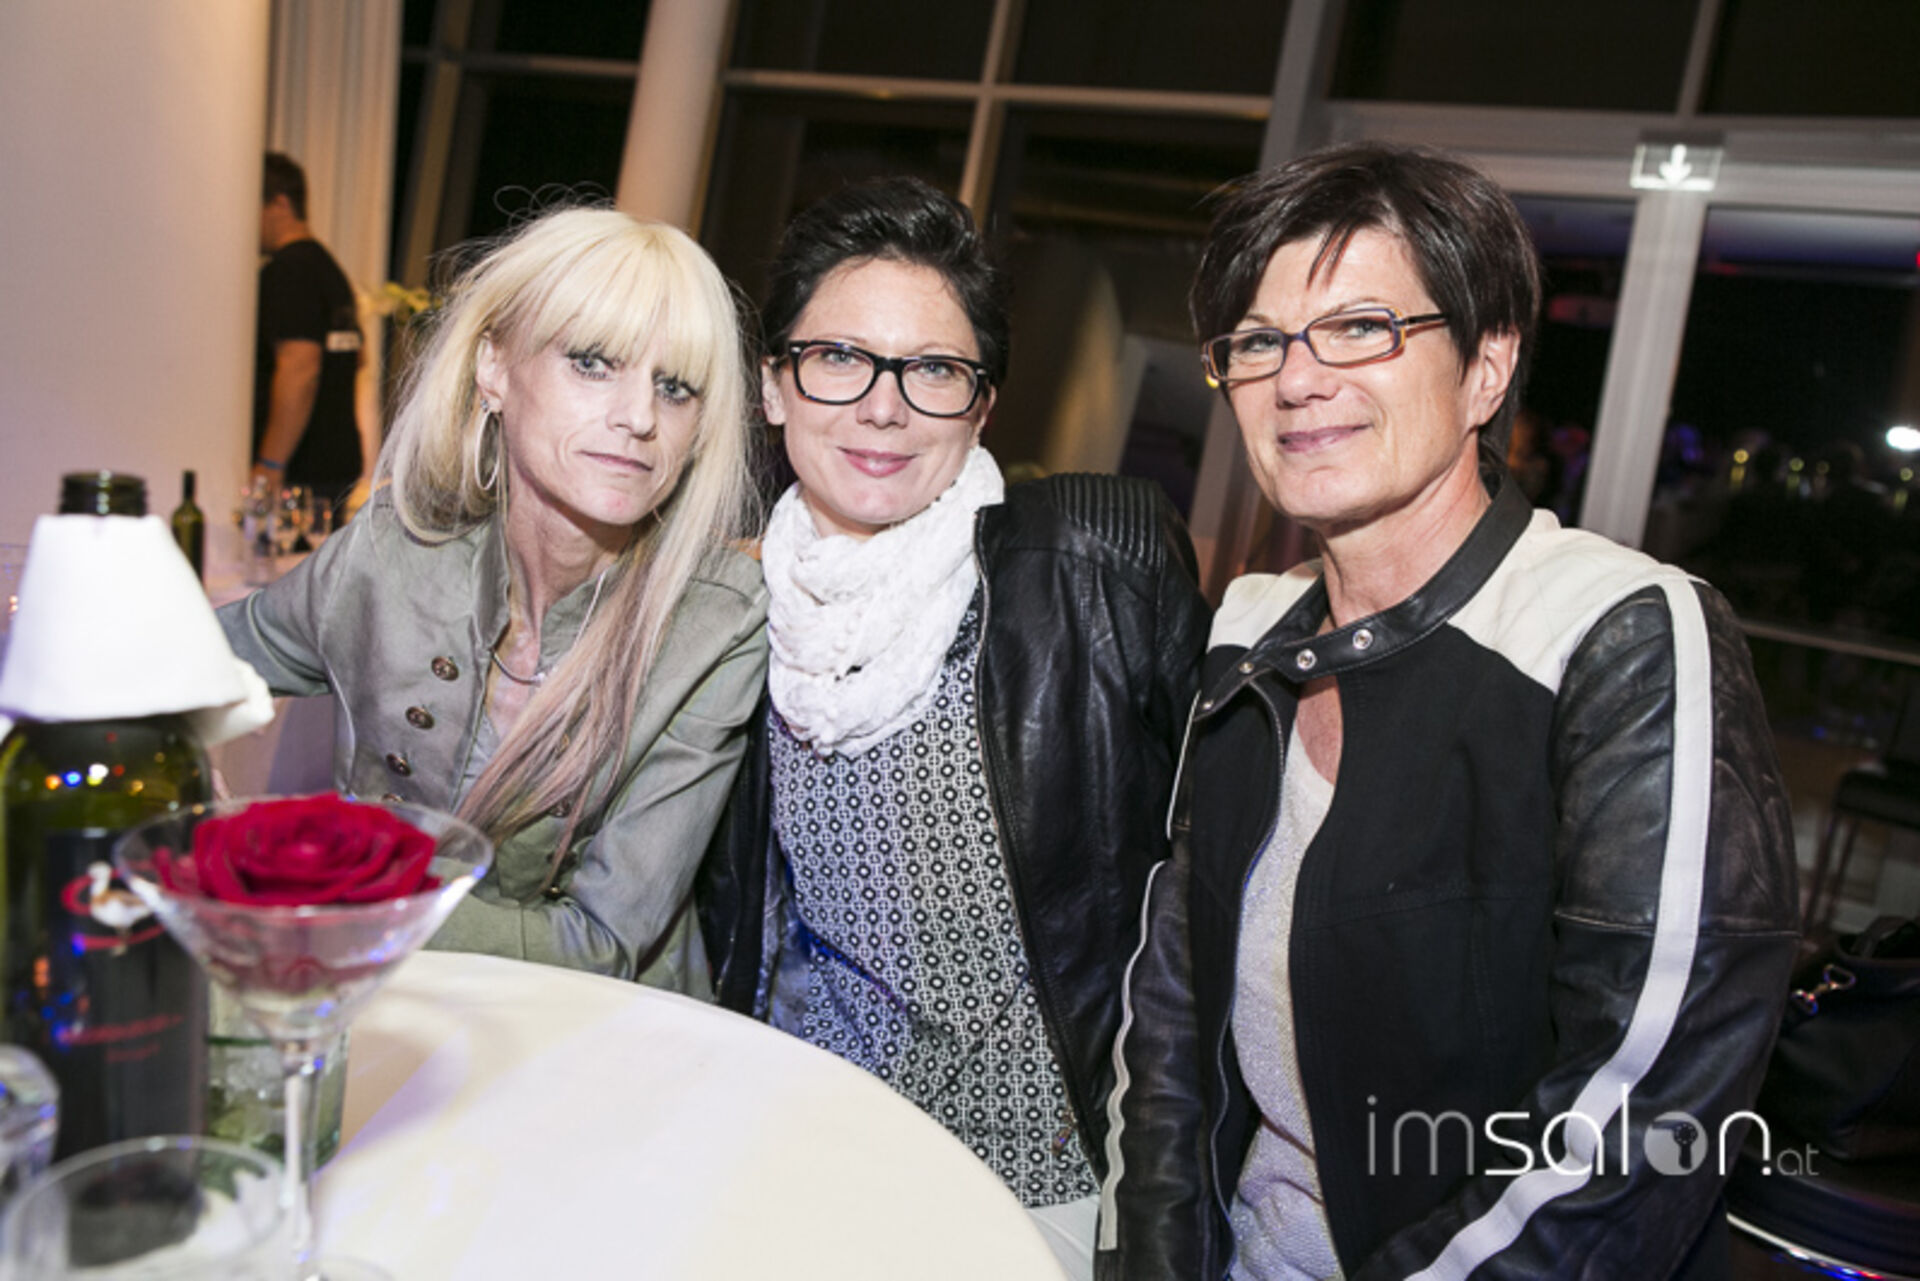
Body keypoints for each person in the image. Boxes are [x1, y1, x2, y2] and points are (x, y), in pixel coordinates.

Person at [1098, 143, 1800, 1281]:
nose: (1297, 380)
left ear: (1487, 369)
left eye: (1360, 327)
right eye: (1260, 341)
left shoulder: (1616, 633)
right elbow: (1172, 1014)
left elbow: (1644, 1119)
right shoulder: (1250, 629)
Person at [697, 177, 1210, 1279]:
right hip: (808, 1143)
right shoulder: (731, 616)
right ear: (774, 387)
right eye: (839, 358)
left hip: (1036, 1191)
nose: (883, 407)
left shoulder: (1092, 568)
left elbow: (1202, 901)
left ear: (980, 407)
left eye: (933, 370)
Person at [220, 206, 766, 989]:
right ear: (494, 368)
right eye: (593, 362)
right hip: (392, 1008)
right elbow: (182, 664)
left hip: (602, 1032)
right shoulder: (391, 556)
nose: (639, 417)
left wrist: (334, 889)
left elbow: (601, 944)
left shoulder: (715, 623)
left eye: (674, 387)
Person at [254, 153, 366, 511]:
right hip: (335, 464)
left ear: (280, 204)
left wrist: (270, 464)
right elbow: (357, 356)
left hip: (299, 472)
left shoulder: (289, 271)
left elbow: (300, 368)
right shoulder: (328, 269)